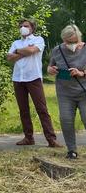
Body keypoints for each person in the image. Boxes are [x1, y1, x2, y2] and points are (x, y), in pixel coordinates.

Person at [7, 18, 61, 147]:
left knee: (41, 109)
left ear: (32, 28)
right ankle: (28, 137)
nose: (22, 28)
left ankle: (51, 139)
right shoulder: (16, 42)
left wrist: (18, 51)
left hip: (33, 78)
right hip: (18, 79)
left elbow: (32, 51)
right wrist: (25, 51)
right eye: (21, 26)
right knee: (23, 109)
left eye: (25, 25)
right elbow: (9, 58)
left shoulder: (38, 40)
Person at [47, 24, 86, 159]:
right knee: (66, 120)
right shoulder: (57, 50)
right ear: (63, 39)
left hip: (83, 92)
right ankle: (72, 150)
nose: (72, 44)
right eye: (68, 41)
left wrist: (81, 72)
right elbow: (50, 66)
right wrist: (50, 70)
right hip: (64, 92)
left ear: (79, 38)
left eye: (74, 41)